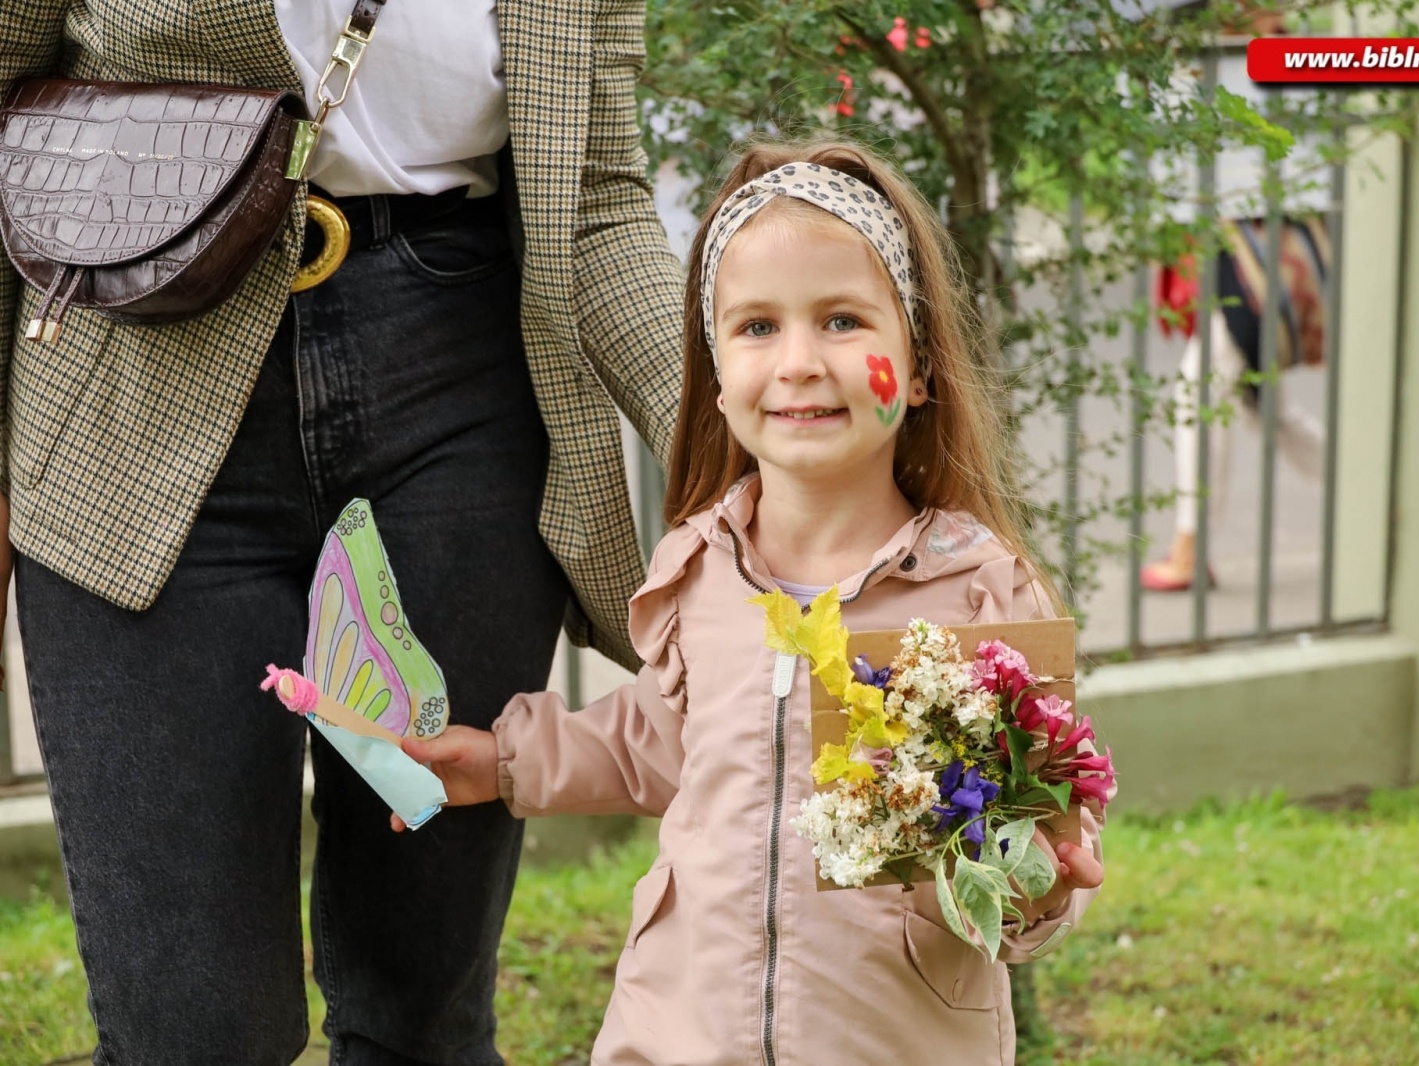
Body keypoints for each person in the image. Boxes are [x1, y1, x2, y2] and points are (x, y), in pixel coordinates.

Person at [0, 3, 682, 1063]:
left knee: (424, 1014)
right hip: (133, 379)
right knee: (192, 1031)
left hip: (459, 381)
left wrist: (748, 450)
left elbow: (593, 203)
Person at [398, 139, 1111, 1065]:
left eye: (843, 320)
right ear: (716, 376)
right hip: (678, 1035)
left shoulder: (979, 591)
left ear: (920, 368)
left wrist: (1040, 886)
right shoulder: (700, 568)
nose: (799, 361)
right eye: (758, 327)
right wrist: (504, 760)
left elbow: (1041, 810)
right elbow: (662, 740)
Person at [1141, 214, 1329, 591]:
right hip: (1241, 246)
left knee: (1199, 394)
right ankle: (1370, 492)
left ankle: (1190, 549)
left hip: (1245, 247)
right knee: (1268, 412)